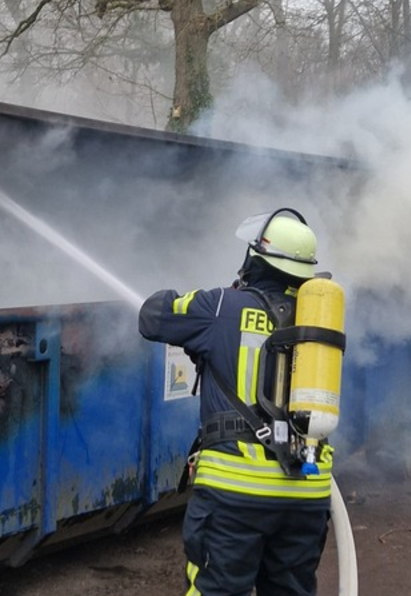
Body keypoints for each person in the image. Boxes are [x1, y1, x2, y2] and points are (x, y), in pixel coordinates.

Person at [138, 209, 334, 596]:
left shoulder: (219, 307)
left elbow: (152, 316)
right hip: (307, 494)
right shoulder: (321, 321)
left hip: (234, 492)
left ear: (256, 259)